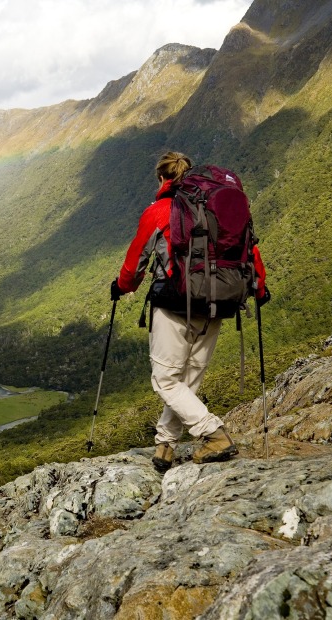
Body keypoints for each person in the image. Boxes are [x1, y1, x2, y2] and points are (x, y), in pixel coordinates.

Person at [110, 151, 268, 472]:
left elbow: (135, 263)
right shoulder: (215, 210)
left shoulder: (158, 212)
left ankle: (214, 433)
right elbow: (248, 248)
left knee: (166, 381)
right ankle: (165, 446)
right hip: (218, 302)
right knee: (188, 380)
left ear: (161, 178)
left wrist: (121, 287)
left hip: (175, 305)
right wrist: (260, 289)